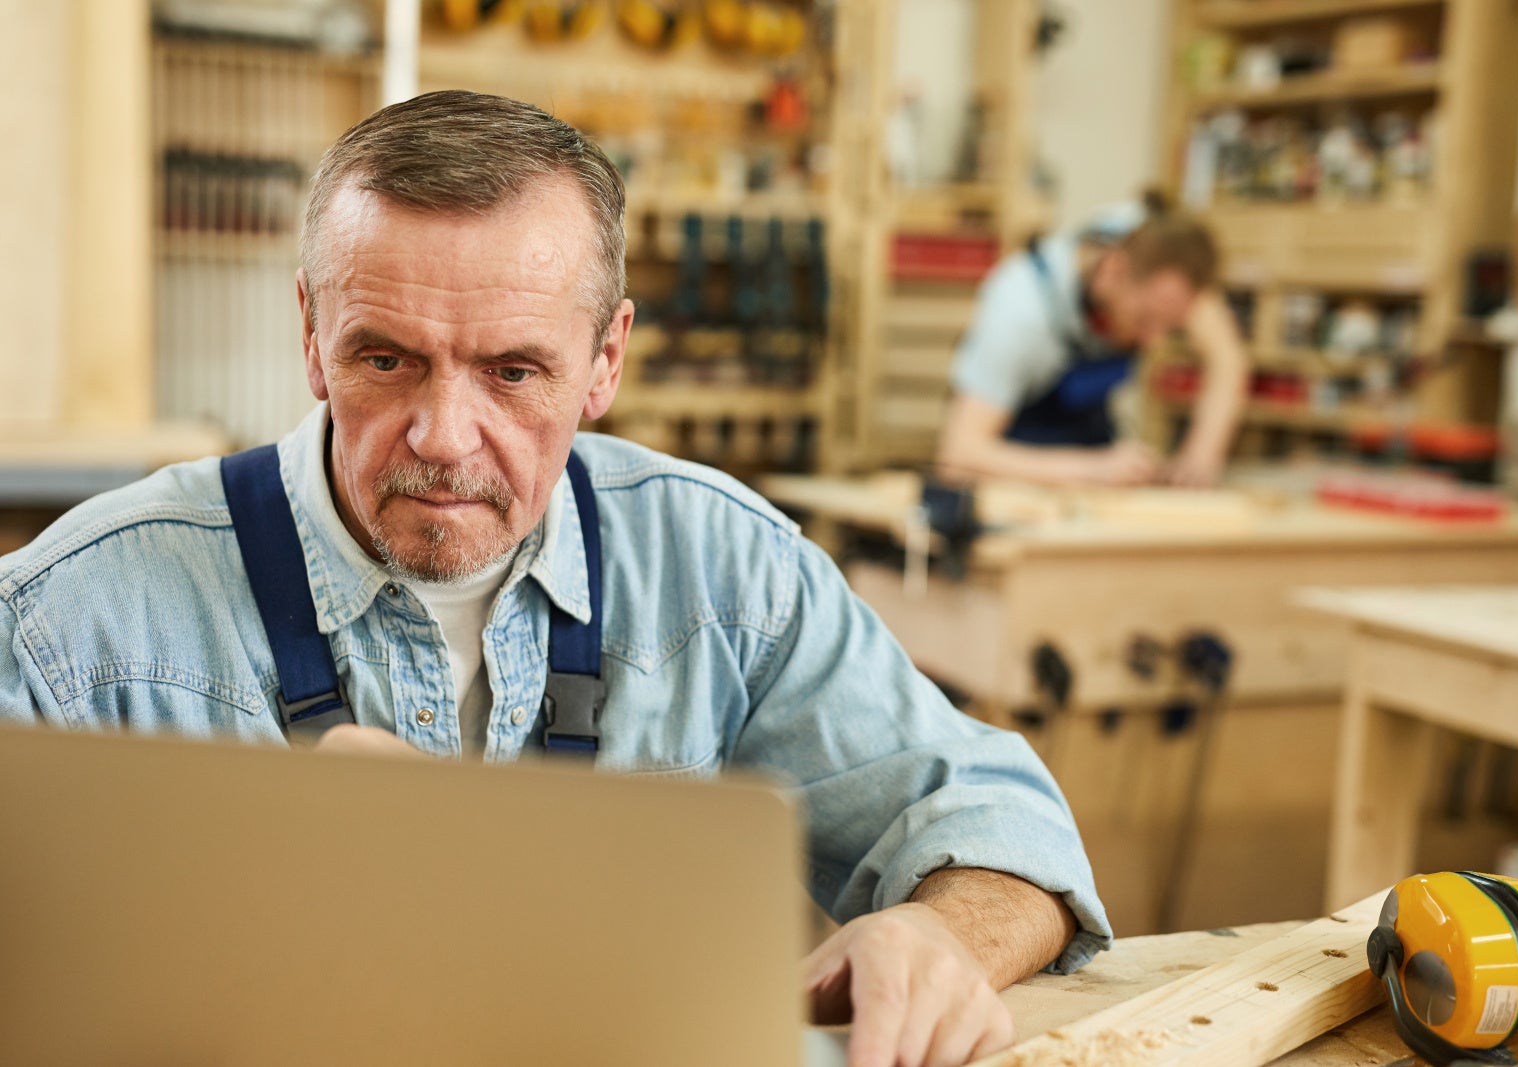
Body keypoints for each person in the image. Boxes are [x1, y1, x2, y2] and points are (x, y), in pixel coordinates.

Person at [0, 92, 1108, 1067]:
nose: (443, 434)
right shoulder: (73, 618)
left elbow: (1004, 824)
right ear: (309, 331)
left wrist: (940, 938)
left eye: (513, 370)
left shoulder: (720, 567)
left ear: (606, 359)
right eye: (384, 358)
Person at [938, 192, 1248, 488]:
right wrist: (1093, 469)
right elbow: (960, 454)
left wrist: (1200, 457)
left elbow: (1227, 357)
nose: (1155, 341)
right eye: (1145, 320)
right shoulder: (1020, 311)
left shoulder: (1160, 249)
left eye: (1173, 326)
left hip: (1091, 461)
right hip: (1017, 472)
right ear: (1112, 272)